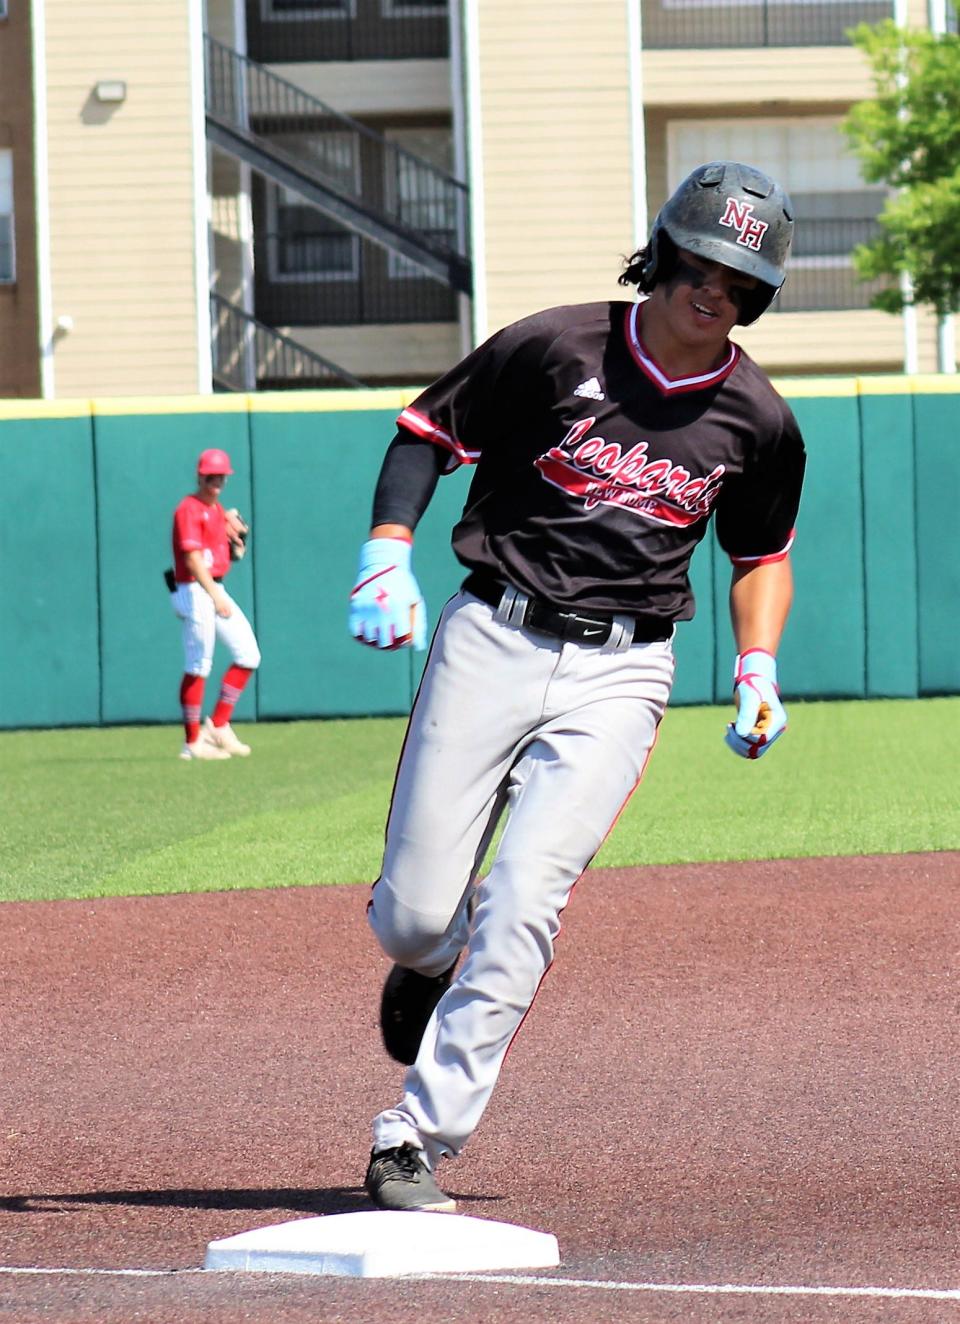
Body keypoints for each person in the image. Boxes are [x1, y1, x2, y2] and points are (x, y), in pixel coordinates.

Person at [348, 161, 807, 1212]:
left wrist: (757, 665)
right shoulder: (555, 345)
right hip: (491, 635)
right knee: (413, 921)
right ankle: (434, 952)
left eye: (740, 281)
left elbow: (760, 555)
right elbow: (427, 436)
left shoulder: (760, 421)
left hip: (625, 670)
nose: (714, 290)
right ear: (666, 250)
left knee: (528, 894)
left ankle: (417, 1133)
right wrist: (386, 549)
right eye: (701, 262)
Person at [169, 447, 260, 760]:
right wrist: (216, 595)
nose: (216, 481)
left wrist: (235, 548)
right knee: (198, 663)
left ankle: (218, 725)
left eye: (221, 476)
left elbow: (225, 555)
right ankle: (192, 742)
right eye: (210, 475)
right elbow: (193, 559)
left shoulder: (218, 510)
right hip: (195, 589)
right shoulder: (189, 508)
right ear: (200, 476)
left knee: (248, 654)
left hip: (213, 587)